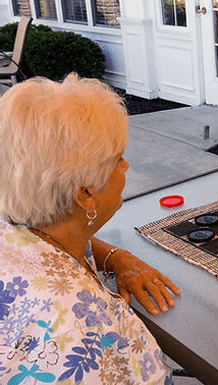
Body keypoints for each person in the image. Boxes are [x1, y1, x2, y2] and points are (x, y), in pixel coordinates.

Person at [0, 74, 181, 384]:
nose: (125, 167)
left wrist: (114, 256)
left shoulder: (22, 225)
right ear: (85, 194)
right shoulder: (82, 326)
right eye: (118, 159)